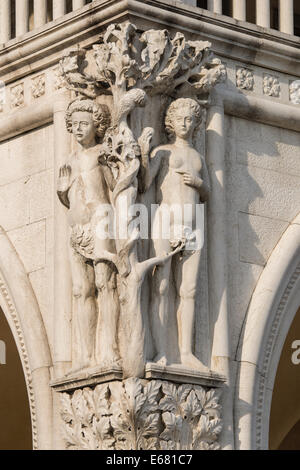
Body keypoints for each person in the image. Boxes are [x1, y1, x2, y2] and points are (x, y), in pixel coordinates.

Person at [139, 98, 210, 369]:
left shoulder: (198, 157)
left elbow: (207, 194)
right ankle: (159, 350)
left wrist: (199, 183)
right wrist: (145, 155)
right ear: (170, 122)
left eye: (190, 119)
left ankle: (186, 351)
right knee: (162, 285)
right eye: (179, 118)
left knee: (188, 289)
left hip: (194, 224)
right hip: (165, 220)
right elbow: (146, 184)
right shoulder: (164, 152)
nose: (185, 123)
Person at [57, 98, 120, 371]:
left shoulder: (100, 154)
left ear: (96, 126)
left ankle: (109, 349)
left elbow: (115, 188)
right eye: (75, 125)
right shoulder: (70, 160)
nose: (79, 129)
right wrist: (62, 190)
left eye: (85, 124)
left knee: (106, 285)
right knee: (81, 290)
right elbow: (68, 197)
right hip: (77, 228)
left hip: (101, 221)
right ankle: (84, 355)